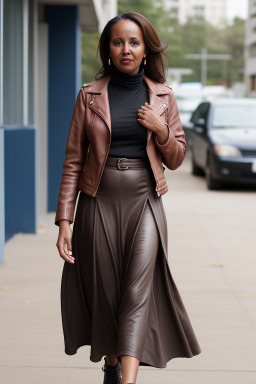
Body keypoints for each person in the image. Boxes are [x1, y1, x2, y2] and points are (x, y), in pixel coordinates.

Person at [55, 11, 201, 384]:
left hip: (145, 202)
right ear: (108, 49)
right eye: (118, 42)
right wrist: (65, 221)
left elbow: (177, 157)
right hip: (98, 202)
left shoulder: (163, 96)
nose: (126, 49)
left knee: (137, 291)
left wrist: (162, 130)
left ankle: (128, 380)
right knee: (107, 294)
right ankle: (111, 363)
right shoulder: (89, 95)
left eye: (134, 42)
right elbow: (73, 161)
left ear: (146, 49)